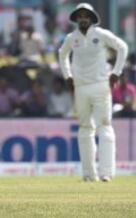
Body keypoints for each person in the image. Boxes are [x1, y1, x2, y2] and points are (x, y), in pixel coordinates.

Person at [58, 3, 128, 182]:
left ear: (91, 18)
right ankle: (89, 174)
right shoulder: (71, 38)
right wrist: (67, 76)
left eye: (86, 16)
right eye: (80, 16)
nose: (83, 19)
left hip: (100, 85)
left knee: (104, 126)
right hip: (80, 87)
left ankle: (106, 173)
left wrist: (116, 72)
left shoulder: (101, 34)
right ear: (76, 19)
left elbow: (122, 47)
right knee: (85, 129)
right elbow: (62, 54)